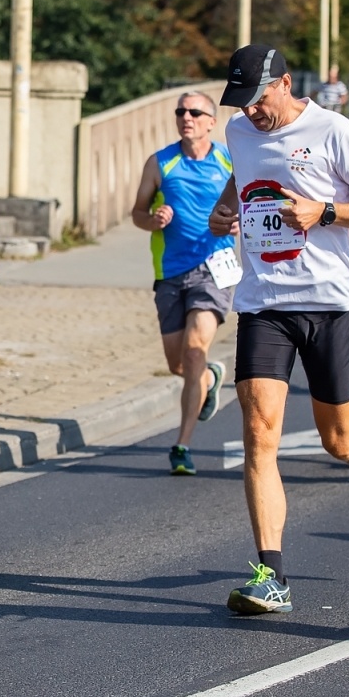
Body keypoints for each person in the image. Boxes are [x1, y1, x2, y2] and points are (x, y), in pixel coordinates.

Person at [205, 45, 349, 616]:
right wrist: (228, 209)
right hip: (264, 303)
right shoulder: (240, 134)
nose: (250, 113)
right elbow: (245, 180)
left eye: (259, 99)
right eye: (241, 103)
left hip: (329, 304)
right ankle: (272, 573)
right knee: (259, 434)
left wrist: (326, 213)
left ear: (286, 82)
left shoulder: (334, 131)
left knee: (337, 440)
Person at [130, 90, 235, 475]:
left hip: (214, 268)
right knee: (180, 364)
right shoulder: (160, 162)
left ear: (211, 120)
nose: (186, 117)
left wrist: (240, 222)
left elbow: (253, 202)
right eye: (181, 111)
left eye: (195, 111)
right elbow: (137, 213)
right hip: (170, 272)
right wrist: (153, 218)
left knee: (194, 349)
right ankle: (209, 377)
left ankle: (182, 444)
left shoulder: (228, 158)